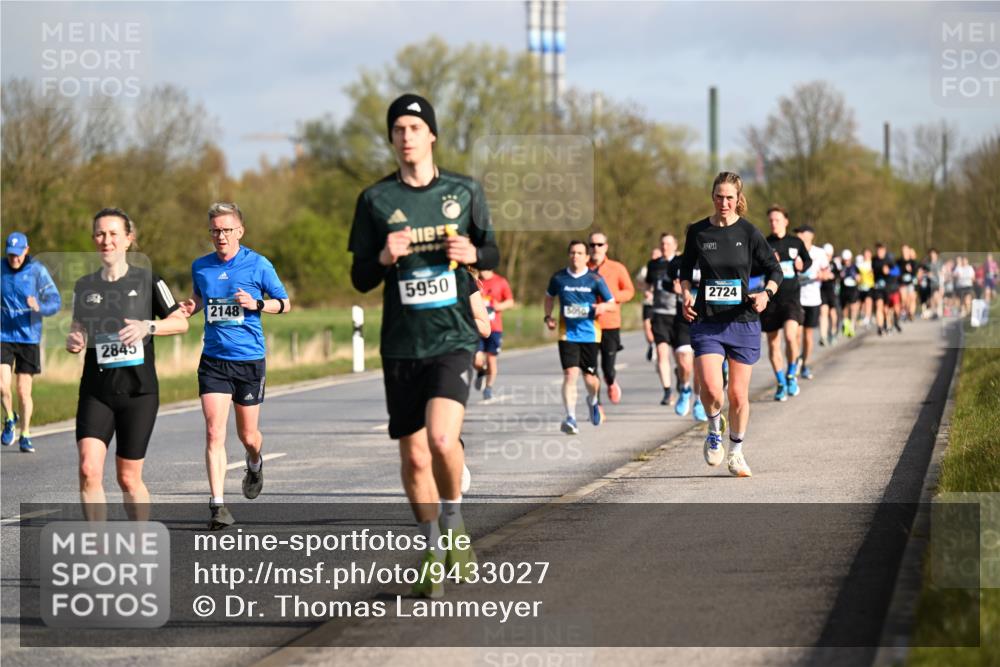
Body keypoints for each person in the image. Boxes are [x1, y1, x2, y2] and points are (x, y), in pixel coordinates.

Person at [349, 93, 499, 598]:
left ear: (431, 135)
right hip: (401, 345)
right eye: (398, 129)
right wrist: (385, 258)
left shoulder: (464, 190)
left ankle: (453, 522)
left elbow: (492, 251)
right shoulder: (375, 201)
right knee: (414, 460)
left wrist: (474, 251)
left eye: (415, 127)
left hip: (453, 337)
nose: (407, 136)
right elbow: (360, 277)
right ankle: (434, 545)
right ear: (392, 139)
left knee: (440, 441)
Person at [67, 208, 188, 520]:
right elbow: (78, 326)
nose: (105, 240)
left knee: (128, 478)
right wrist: (75, 339)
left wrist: (146, 326)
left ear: (128, 239)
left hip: (138, 393)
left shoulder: (149, 280)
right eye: (99, 234)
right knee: (88, 470)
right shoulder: (85, 285)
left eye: (112, 234)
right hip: (96, 390)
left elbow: (180, 322)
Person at [179, 202, 291, 531]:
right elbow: (201, 298)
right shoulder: (201, 266)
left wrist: (257, 304)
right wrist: (192, 305)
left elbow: (285, 304)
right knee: (214, 432)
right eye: (215, 230)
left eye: (227, 230)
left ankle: (254, 462)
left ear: (239, 231)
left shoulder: (258, 265)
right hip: (213, 360)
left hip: (249, 360)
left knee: (248, 435)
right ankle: (217, 505)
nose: (221, 236)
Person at [680, 172, 781, 478]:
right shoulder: (697, 232)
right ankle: (714, 427)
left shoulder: (749, 232)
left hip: (742, 320)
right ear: (712, 196)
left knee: (737, 395)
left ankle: (736, 452)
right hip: (707, 320)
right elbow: (685, 271)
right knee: (711, 387)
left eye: (730, 198)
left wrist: (766, 294)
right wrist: (686, 294)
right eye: (719, 196)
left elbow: (774, 270)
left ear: (738, 199)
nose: (724, 203)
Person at [545, 240, 615, 434]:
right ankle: (571, 418)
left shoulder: (595, 279)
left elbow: (611, 303)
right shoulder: (559, 278)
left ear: (586, 257)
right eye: (572, 253)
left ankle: (593, 400)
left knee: (590, 379)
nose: (575, 256)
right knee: (570, 375)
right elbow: (549, 296)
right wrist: (548, 316)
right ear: (569, 255)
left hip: (590, 335)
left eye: (579, 253)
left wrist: (602, 307)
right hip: (567, 334)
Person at [1, 232, 61, 452]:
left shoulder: (37, 271)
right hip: (3, 335)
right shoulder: (1, 269)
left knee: (23, 392)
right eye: (10, 255)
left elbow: (55, 301)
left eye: (18, 255)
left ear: (26, 250)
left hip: (28, 337)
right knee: (2, 386)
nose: (14, 259)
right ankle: (9, 419)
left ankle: (25, 433)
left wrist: (40, 307)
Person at [760, 206, 811, 401]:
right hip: (771, 299)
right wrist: (768, 262)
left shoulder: (795, 242)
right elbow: (755, 267)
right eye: (771, 220)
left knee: (791, 336)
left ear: (785, 221)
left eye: (777, 220)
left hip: (791, 298)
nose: (773, 223)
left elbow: (807, 261)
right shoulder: (764, 243)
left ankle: (791, 373)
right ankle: (780, 382)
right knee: (773, 344)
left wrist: (802, 265)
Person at [587, 230, 635, 405]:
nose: (595, 248)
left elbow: (629, 291)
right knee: (590, 368)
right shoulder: (582, 267)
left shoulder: (617, 268)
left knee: (608, 368)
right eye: (592, 245)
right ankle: (596, 404)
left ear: (606, 247)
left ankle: (611, 381)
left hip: (610, 323)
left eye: (599, 244)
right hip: (587, 324)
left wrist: (611, 297)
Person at [645, 234, 683, 407]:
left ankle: (681, 376)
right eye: (662, 244)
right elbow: (648, 284)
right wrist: (648, 293)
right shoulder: (653, 264)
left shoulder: (682, 262)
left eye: (668, 243)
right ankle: (667, 391)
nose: (665, 246)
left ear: (675, 245)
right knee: (661, 353)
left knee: (680, 357)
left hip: (678, 314)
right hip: (659, 313)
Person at [473, 268, 514, 401]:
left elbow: (510, 301)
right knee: (476, 359)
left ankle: (488, 388)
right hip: (477, 326)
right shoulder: (474, 279)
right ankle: (480, 370)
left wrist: (498, 306)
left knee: (491, 360)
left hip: (494, 327)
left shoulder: (500, 281)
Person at [796, 225, 826, 379]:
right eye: (797, 232)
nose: (799, 235)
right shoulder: (794, 251)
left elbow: (827, 273)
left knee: (808, 336)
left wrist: (822, 275)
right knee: (796, 334)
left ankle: (805, 364)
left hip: (813, 298)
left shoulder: (819, 253)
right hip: (796, 298)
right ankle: (794, 363)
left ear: (810, 235)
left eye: (802, 232)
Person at [639, 247, 662, 363]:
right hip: (648, 302)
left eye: (657, 254)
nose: (654, 256)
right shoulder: (646, 268)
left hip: (661, 304)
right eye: (653, 254)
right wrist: (646, 291)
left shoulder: (667, 266)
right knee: (647, 325)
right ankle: (652, 344)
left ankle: (658, 345)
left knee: (657, 327)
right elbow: (640, 284)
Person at [818, 242, 840, 346]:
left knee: (833, 313)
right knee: (823, 313)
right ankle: (823, 336)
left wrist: (831, 276)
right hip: (822, 291)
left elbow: (837, 275)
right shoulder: (819, 263)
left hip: (832, 291)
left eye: (828, 254)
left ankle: (833, 332)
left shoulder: (834, 264)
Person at [838, 249, 861, 337]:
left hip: (853, 289)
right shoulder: (840, 267)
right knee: (844, 308)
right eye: (845, 259)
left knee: (853, 307)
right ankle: (846, 322)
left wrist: (855, 277)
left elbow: (859, 278)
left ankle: (852, 324)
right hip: (843, 290)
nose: (846, 261)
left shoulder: (854, 267)